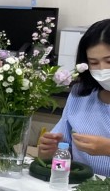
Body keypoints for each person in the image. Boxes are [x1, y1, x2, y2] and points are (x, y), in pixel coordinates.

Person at [38, 18, 110, 176]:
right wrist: (49, 150)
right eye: (94, 63)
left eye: (109, 61)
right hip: (81, 187)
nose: (103, 69)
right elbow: (60, 149)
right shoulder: (80, 95)